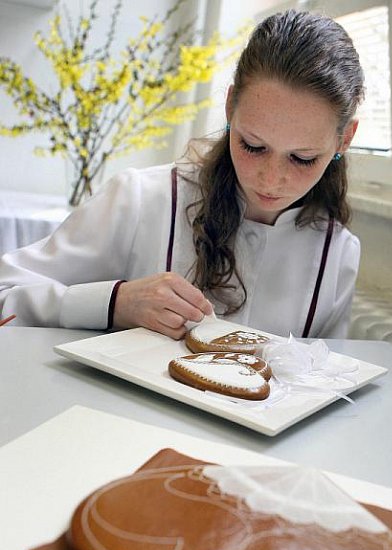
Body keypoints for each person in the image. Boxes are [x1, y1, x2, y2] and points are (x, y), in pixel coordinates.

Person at [0, 9, 364, 339]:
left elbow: (323, 381)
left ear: (344, 139)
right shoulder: (139, 199)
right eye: (253, 145)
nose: (270, 179)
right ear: (229, 106)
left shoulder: (338, 252)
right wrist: (115, 303)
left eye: (302, 158)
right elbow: (5, 294)